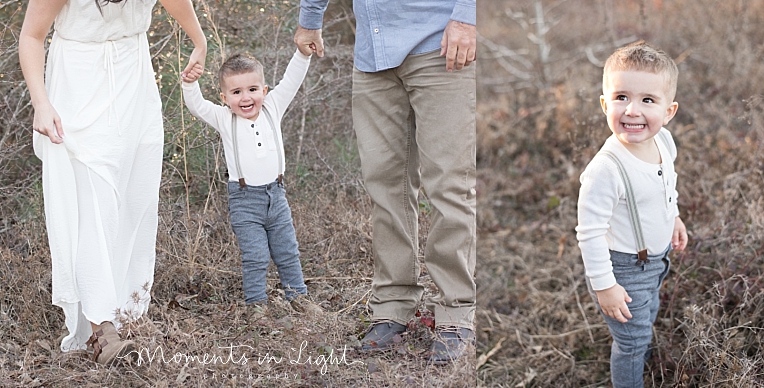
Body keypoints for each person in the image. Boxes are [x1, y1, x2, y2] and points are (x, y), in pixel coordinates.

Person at [19, 0, 206, 364]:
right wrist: (40, 102)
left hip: (133, 75)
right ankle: (101, 329)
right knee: (95, 200)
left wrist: (198, 41)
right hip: (79, 80)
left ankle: (127, 310)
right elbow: (31, 34)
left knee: (136, 197)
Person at [294, 0, 477, 364]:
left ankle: (457, 312)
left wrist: (468, 17)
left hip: (442, 43)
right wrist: (310, 18)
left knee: (449, 185)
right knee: (384, 185)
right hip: (373, 53)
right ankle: (392, 308)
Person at [576, 41, 688, 388]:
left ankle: (642, 351)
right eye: (621, 97)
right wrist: (605, 285)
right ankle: (631, 371)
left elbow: (667, 185)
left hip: (657, 259)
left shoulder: (664, 142)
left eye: (647, 100)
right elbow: (590, 233)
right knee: (631, 342)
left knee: (650, 310)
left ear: (669, 111)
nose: (632, 111)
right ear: (604, 103)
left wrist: (675, 216)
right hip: (623, 269)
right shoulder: (606, 169)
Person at [181, 50, 321, 315]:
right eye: (236, 92)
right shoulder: (224, 118)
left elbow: (292, 80)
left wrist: (303, 54)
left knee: (287, 251)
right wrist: (190, 83)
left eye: (253, 89)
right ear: (224, 98)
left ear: (264, 90)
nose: (246, 98)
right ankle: (256, 305)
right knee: (255, 256)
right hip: (245, 200)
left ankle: (298, 298)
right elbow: (197, 105)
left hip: (276, 196)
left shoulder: (273, 107)